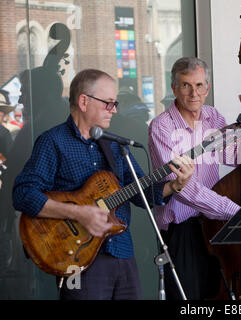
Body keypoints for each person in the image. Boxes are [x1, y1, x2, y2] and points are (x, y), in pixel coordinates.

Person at [12, 69, 195, 300]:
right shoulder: (53, 142)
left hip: (122, 252)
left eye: (115, 103)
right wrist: (78, 213)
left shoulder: (116, 146)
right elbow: (23, 194)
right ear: (84, 101)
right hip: (77, 256)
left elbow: (142, 193)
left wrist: (177, 185)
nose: (115, 110)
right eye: (109, 103)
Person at [148, 57, 241, 300]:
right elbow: (183, 189)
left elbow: (240, 158)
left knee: (219, 294)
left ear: (207, 88)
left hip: (215, 224)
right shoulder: (161, 127)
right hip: (182, 232)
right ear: (174, 89)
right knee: (188, 299)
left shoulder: (213, 117)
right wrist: (236, 212)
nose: (193, 93)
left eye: (199, 85)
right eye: (186, 85)